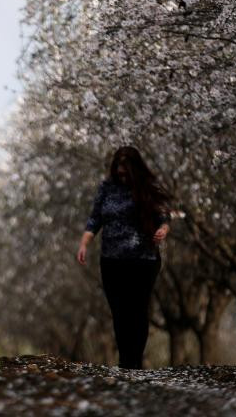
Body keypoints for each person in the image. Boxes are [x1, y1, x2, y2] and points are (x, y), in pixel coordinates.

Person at [76, 146, 172, 369]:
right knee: (119, 311)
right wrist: (84, 244)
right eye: (118, 168)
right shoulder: (107, 188)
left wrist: (164, 229)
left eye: (125, 169)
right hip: (112, 260)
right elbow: (95, 219)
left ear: (134, 168)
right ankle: (125, 361)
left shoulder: (149, 187)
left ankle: (134, 362)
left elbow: (164, 216)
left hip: (143, 260)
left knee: (137, 310)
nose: (121, 173)